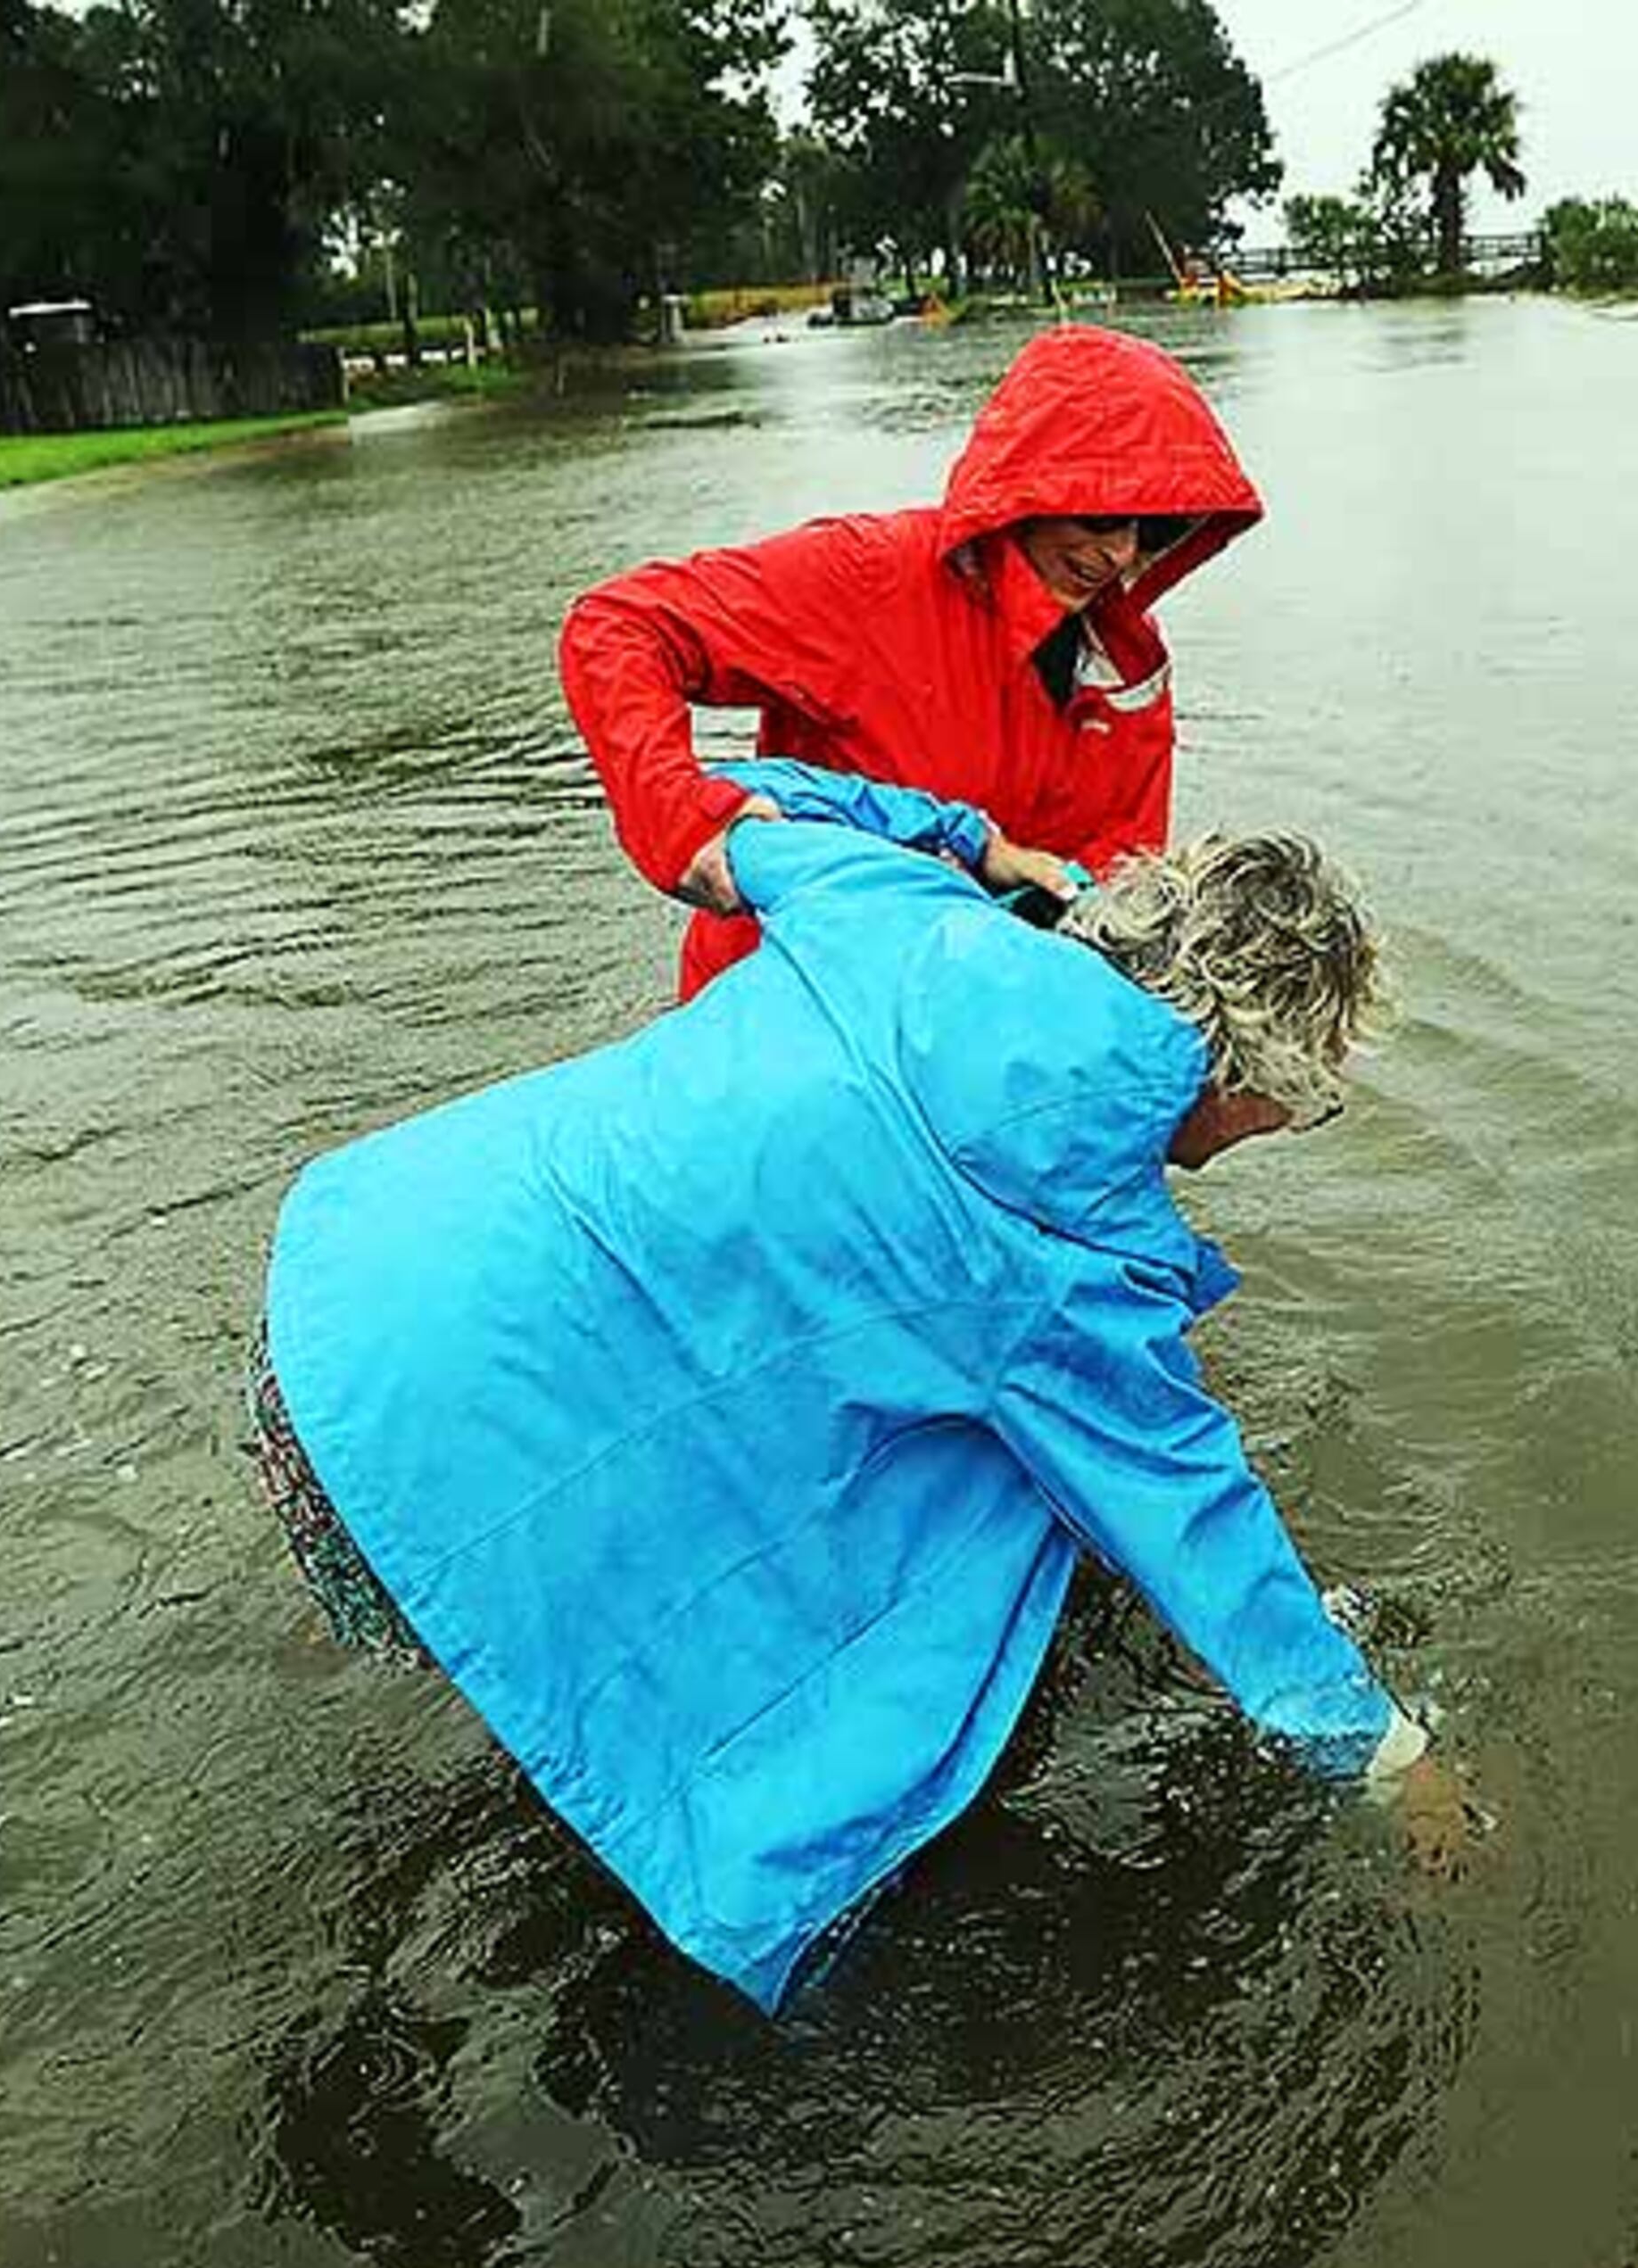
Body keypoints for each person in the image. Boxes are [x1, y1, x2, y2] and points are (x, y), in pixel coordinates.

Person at [252, 762, 1444, 2011]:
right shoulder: (1072, 1254)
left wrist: (968, 840)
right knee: (1005, 1504)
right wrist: (1385, 1754)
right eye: (1292, 1107)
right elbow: (1201, 1529)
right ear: (1246, 1074)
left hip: (338, 1296)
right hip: (432, 1436)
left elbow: (741, 812)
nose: (1270, 1132)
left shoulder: (898, 906)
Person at [558, 325, 1264, 1002]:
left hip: (962, 1025)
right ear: (1031, 488)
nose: (1119, 553)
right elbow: (620, 627)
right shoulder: (867, 577)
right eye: (1104, 514)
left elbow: (1118, 869)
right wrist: (680, 821)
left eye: (1159, 529)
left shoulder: (1127, 666)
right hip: (788, 1010)